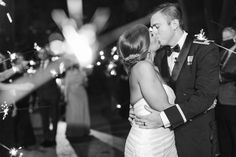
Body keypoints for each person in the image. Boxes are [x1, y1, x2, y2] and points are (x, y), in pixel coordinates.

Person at [131, 2, 220, 157]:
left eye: (156, 26)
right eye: (151, 28)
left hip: (194, 135)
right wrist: (137, 109)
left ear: (174, 24)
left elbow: (205, 96)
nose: (152, 31)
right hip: (164, 137)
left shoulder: (204, 49)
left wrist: (164, 117)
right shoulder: (157, 56)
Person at [118, 24, 178, 157]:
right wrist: (201, 108)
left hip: (165, 139)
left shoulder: (153, 67)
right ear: (144, 45)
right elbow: (163, 106)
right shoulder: (143, 67)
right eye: (151, 34)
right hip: (149, 145)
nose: (156, 34)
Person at [215, 27, 236, 157]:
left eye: (227, 39)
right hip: (220, 101)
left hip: (233, 101)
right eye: (223, 40)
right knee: (224, 135)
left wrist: (220, 77)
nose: (224, 42)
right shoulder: (223, 53)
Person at [64, 63, 91, 140]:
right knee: (81, 112)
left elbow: (66, 86)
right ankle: (82, 131)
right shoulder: (82, 72)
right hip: (81, 92)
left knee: (73, 112)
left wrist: (65, 97)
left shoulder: (69, 73)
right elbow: (86, 84)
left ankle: (74, 132)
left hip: (73, 93)